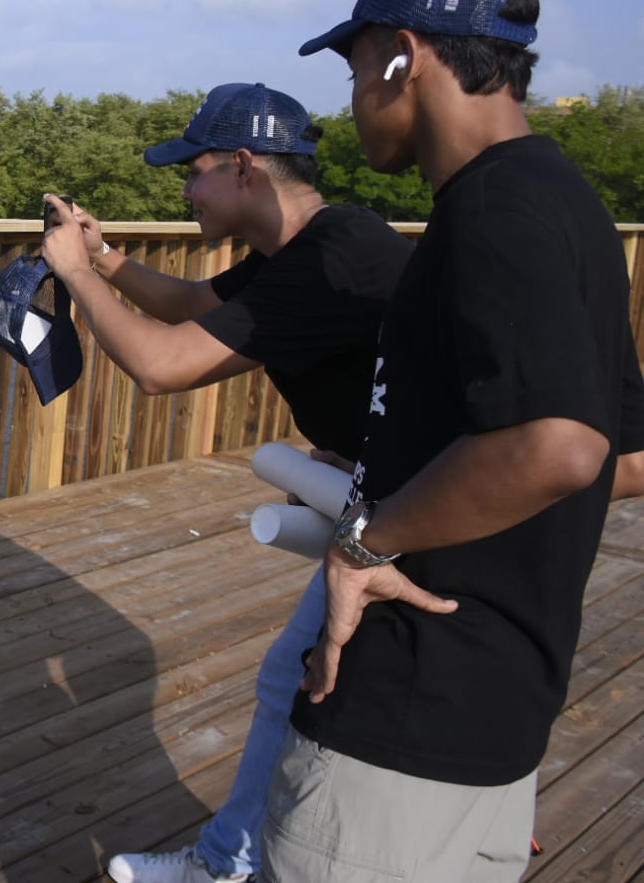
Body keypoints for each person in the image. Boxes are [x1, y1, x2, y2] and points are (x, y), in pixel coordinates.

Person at [263, 0, 644, 882]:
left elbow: (558, 445)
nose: (350, 104)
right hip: (493, 716)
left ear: (402, 54)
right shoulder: (567, 205)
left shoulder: (492, 213)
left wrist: (368, 541)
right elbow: (623, 454)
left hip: (403, 714)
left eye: (354, 72)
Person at [40, 82, 421, 883]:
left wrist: (74, 276)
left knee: (330, 688)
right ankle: (233, 859)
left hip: (428, 517)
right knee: (301, 678)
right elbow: (188, 305)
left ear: (242, 166)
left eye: (194, 170)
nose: (184, 190)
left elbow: (158, 364)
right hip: (388, 491)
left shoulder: (330, 259)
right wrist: (106, 258)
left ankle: (238, 864)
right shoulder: (312, 246)